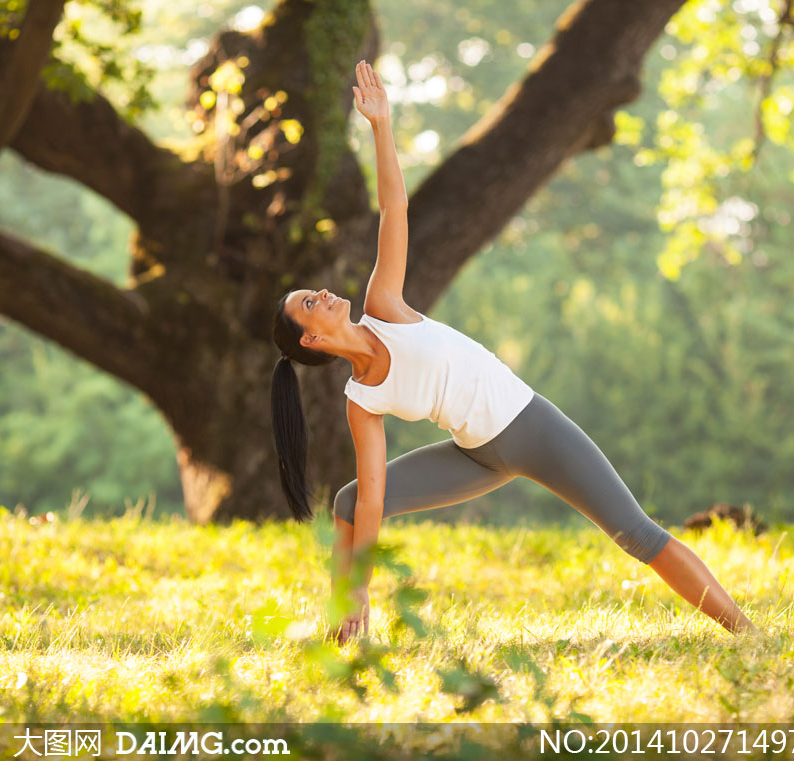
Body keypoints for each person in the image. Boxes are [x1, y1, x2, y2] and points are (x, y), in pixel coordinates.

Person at [271, 60, 758, 645]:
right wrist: (361, 585)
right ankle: (343, 628)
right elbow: (373, 496)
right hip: (475, 455)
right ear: (313, 340)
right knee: (350, 502)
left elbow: (395, 210)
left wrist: (380, 125)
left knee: (635, 534)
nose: (322, 293)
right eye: (310, 303)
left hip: (530, 427)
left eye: (314, 291)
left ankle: (747, 632)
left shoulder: (385, 306)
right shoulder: (361, 398)